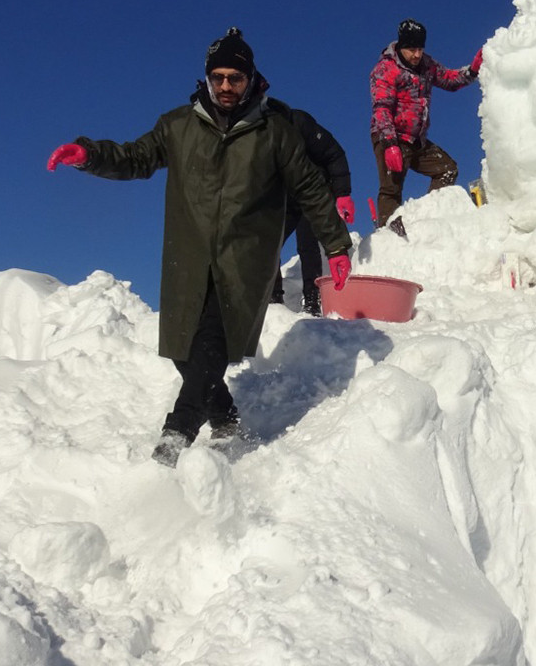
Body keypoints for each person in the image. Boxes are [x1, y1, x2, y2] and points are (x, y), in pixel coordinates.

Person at [46, 27, 353, 467]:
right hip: (188, 258)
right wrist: (89, 154)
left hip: (243, 261)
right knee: (182, 350)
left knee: (210, 343)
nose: (226, 87)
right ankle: (226, 418)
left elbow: (308, 187)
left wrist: (336, 246)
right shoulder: (177, 126)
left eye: (236, 78)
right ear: (206, 79)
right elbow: (136, 157)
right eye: (219, 78)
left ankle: (175, 438)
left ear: (251, 79)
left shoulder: (275, 132)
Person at [370, 18, 483, 232]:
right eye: (412, 49)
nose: (417, 55)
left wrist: (473, 71)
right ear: (402, 47)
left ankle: (429, 218)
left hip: (416, 139)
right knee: (391, 189)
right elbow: (381, 108)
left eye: (420, 49)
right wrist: (390, 143)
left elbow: (449, 79)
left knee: (447, 169)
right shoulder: (386, 69)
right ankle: (387, 238)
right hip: (391, 137)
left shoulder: (426, 66)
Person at [269, 107, 356, 316]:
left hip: (313, 193)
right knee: (269, 243)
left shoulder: (299, 123)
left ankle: (312, 300)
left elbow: (334, 154)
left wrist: (343, 193)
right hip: (285, 196)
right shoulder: (259, 135)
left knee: (307, 246)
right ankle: (273, 298)